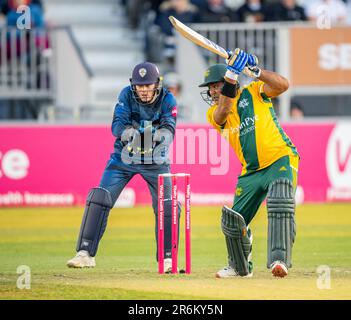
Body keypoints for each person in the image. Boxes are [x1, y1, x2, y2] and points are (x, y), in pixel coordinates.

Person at [66, 62, 181, 273]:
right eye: (140, 86)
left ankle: (167, 259)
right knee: (99, 198)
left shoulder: (168, 98)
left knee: (168, 204)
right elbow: (117, 125)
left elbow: (169, 130)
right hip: (123, 157)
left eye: (148, 85)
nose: (144, 90)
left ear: (157, 84)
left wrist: (154, 137)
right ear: (133, 85)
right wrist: (131, 135)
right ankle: (85, 254)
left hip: (155, 161)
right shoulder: (126, 95)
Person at [199, 49, 299, 278]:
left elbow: (283, 85)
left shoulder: (254, 91)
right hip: (252, 171)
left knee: (280, 199)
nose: (213, 91)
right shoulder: (213, 112)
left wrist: (256, 72)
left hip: (279, 157)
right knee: (233, 220)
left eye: (217, 84)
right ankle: (239, 267)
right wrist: (232, 75)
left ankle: (279, 260)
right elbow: (224, 110)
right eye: (211, 87)